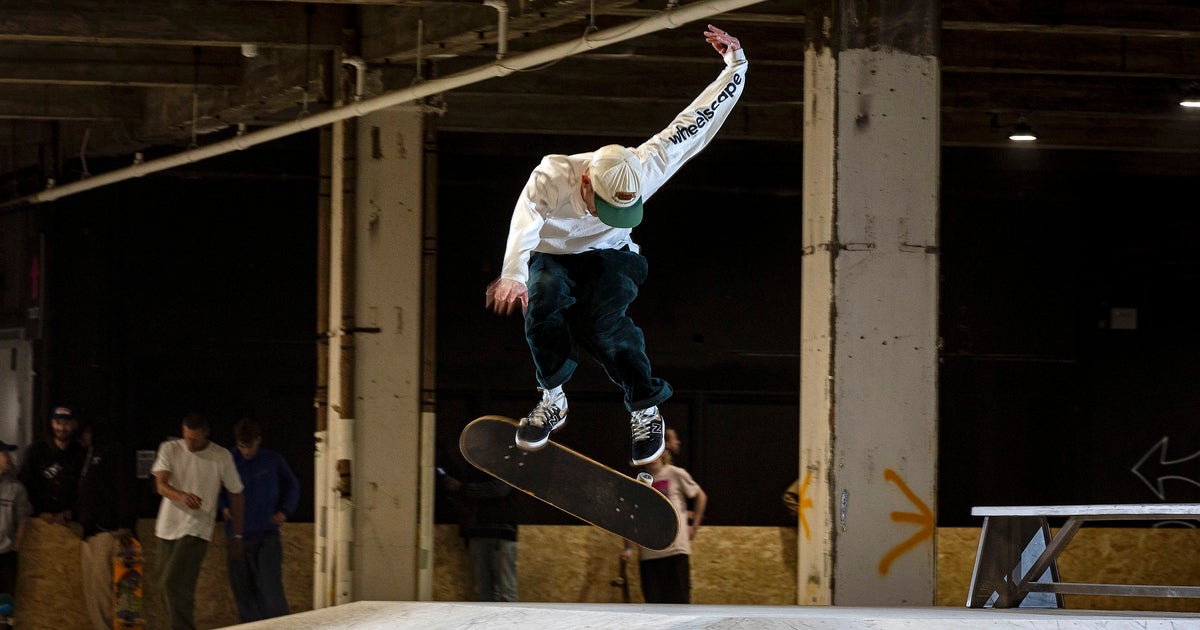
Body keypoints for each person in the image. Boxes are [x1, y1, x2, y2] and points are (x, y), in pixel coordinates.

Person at [485, 24, 747, 466]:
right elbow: (524, 220)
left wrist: (735, 64)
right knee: (542, 302)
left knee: (601, 324)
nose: (600, 214)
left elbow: (698, 123)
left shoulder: (647, 165)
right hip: (552, 254)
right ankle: (553, 397)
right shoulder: (553, 175)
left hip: (612, 257)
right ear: (586, 180)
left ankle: (646, 407)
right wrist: (513, 272)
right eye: (599, 206)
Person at [151, 412, 244, 630]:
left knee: (172, 582)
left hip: (197, 528)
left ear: (206, 434)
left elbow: (237, 493)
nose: (189, 443)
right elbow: (161, 485)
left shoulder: (220, 456)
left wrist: (237, 534)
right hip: (168, 526)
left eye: (194, 439)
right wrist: (181, 495)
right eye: (186, 437)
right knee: (168, 585)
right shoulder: (171, 449)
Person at [218, 418, 299, 622]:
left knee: (270, 590)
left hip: (266, 534)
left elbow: (292, 485)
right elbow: (214, 486)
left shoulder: (272, 460)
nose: (246, 451)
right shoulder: (228, 459)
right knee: (243, 593)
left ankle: (281, 627)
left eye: (250, 446)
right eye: (241, 446)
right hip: (237, 536)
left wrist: (284, 511)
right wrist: (223, 506)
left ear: (258, 440)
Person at [77, 417, 138, 630]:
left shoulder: (112, 451)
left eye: (84, 433)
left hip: (109, 532)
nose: (81, 438)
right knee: (94, 592)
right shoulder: (89, 455)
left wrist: (124, 522)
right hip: (91, 533)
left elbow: (124, 486)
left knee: (109, 593)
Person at [627, 448, 706, 604]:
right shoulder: (640, 481)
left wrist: (694, 526)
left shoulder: (675, 473)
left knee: (679, 602)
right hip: (649, 554)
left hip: (675, 550)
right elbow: (633, 517)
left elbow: (700, 496)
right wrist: (629, 547)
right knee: (653, 606)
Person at [440, 451, 519, 602]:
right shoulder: (473, 465)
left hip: (500, 533)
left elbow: (500, 489)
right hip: (481, 531)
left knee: (505, 592)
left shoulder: (508, 461)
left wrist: (462, 488)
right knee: (486, 592)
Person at [18, 405, 85, 526]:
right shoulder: (36, 450)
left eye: (67, 423)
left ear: (74, 425)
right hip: (38, 519)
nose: (62, 428)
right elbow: (23, 484)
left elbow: (85, 489)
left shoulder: (80, 453)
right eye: (58, 422)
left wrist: (69, 513)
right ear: (52, 423)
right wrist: (38, 512)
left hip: (68, 521)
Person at [0, 440, 31, 597]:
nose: (8, 457)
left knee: (6, 604)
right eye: (4, 453)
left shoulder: (15, 488)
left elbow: (22, 519)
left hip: (6, 555)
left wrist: (15, 547)